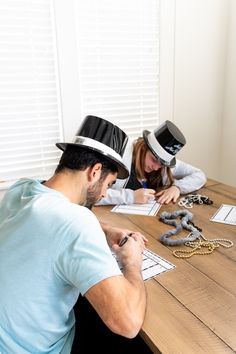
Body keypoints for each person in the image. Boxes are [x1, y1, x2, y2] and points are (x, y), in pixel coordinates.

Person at [0, 115, 149, 354]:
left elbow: (57, 216)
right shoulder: (77, 222)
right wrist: (132, 262)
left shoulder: (21, 191)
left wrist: (106, 230)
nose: (103, 194)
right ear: (95, 171)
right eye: (109, 184)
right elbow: (128, 323)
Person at [97, 120, 207, 206]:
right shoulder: (120, 157)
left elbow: (199, 175)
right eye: (154, 160)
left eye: (162, 164)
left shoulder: (163, 166)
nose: (156, 167)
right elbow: (92, 194)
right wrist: (131, 196)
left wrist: (177, 187)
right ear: (144, 148)